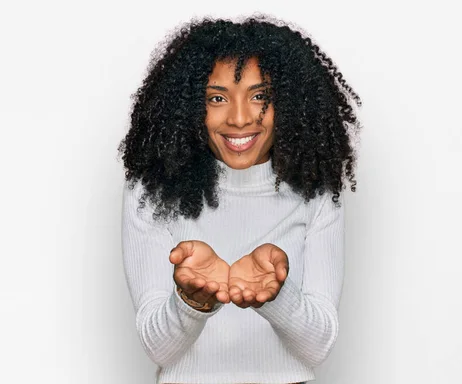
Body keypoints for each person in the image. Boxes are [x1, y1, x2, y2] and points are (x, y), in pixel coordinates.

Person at [118, 14, 362, 384]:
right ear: (187, 107)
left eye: (260, 96)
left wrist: (276, 296)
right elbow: (158, 350)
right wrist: (192, 300)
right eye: (217, 98)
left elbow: (318, 348)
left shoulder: (316, 188)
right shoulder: (152, 190)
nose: (239, 118)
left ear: (293, 103)